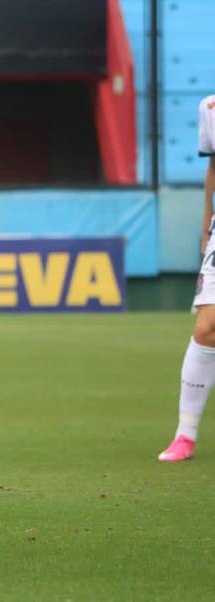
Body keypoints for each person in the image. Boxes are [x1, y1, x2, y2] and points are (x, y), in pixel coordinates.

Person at [158, 94, 215, 462]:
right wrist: (206, 225)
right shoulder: (210, 109)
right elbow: (214, 168)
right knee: (207, 326)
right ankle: (185, 434)